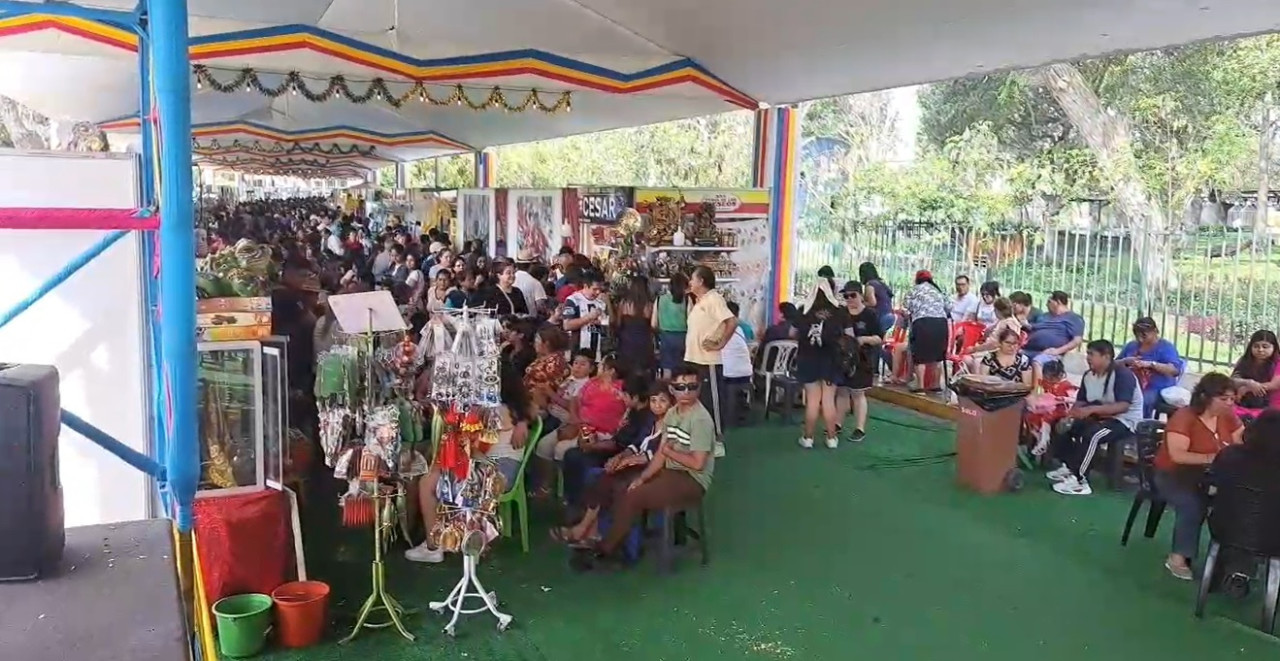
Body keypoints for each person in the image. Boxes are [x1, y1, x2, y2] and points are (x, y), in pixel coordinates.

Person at [575, 366, 714, 570]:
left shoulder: (700, 419)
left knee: (633, 496)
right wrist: (644, 476)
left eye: (692, 386)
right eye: (681, 387)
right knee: (627, 486)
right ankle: (614, 547)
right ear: (673, 389)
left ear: (699, 388)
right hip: (670, 470)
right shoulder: (673, 413)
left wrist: (669, 453)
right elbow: (659, 455)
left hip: (692, 478)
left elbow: (697, 463)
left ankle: (606, 549)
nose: (686, 391)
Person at [406, 368, 531, 563]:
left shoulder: (495, 410)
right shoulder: (513, 408)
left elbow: (473, 449)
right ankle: (438, 536)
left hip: (497, 473)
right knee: (434, 471)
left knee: (428, 481)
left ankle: (433, 545)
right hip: (496, 465)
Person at [554, 383, 672, 548]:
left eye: (662, 401)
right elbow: (636, 445)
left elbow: (654, 455)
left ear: (671, 404)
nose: (657, 405)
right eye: (654, 400)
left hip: (653, 472)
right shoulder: (651, 422)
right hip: (635, 466)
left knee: (608, 481)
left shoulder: (672, 425)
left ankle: (587, 531)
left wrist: (626, 461)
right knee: (599, 476)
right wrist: (620, 457)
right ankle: (590, 531)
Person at [1152, 372, 1242, 580]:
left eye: (1232, 398)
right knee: (1192, 504)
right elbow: (1178, 455)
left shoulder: (1227, 416)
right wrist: (1216, 457)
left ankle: (1231, 563)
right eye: (1224, 399)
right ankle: (1177, 558)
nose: (1230, 403)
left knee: (1238, 501)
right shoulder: (1184, 418)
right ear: (1205, 397)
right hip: (1172, 474)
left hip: (1208, 474)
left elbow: (1242, 439)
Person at [1046, 339, 1143, 496]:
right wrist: (1069, 417)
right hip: (1098, 416)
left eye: (1091, 354)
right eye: (1087, 354)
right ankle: (1071, 467)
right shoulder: (1088, 376)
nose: (1088, 358)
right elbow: (1081, 401)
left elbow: (1123, 406)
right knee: (1059, 426)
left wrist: (1091, 410)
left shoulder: (1122, 374)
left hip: (1123, 420)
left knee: (1091, 436)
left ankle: (1080, 481)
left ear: (1106, 357)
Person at [791, 277, 848, 449]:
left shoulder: (804, 309)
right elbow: (849, 335)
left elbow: (792, 333)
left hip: (808, 359)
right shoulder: (839, 311)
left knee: (813, 400)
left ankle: (808, 438)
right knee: (829, 399)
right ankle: (831, 439)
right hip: (831, 360)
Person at [685, 266, 737, 441]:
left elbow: (731, 321)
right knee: (697, 401)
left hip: (708, 361)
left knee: (712, 402)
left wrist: (721, 343)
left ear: (701, 281)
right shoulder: (700, 301)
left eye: (692, 279)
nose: (690, 282)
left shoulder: (714, 299)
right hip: (694, 358)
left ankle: (717, 438)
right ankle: (701, 436)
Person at [533, 350, 594, 496]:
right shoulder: (569, 379)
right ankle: (546, 483)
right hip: (554, 414)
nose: (577, 367)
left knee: (559, 448)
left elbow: (572, 407)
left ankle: (562, 489)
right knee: (543, 445)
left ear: (591, 369)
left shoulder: (586, 386)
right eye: (575, 363)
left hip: (569, 423)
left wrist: (550, 393)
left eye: (582, 364)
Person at [835, 281, 882, 442]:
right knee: (841, 392)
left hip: (862, 359)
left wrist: (863, 339)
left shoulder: (869, 315)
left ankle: (859, 428)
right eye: (846, 296)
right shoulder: (841, 313)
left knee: (858, 393)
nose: (849, 299)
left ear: (861, 296)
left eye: (852, 295)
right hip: (843, 358)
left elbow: (878, 338)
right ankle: (837, 423)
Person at [1117, 317, 1185, 417]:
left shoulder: (1165, 347)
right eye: (1137, 336)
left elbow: (1174, 370)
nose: (1140, 339)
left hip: (1157, 388)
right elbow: (1113, 364)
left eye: (1144, 336)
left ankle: (1141, 426)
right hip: (1132, 385)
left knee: (1143, 400)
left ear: (1155, 332)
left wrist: (1151, 364)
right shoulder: (1131, 346)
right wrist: (1126, 361)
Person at [895, 269, 949, 393]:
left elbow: (906, 309)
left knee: (920, 355)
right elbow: (949, 307)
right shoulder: (939, 291)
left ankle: (920, 385)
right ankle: (935, 384)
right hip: (941, 323)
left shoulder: (914, 290)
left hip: (923, 323)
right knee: (937, 355)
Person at [1022, 291, 1084, 367]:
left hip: (1050, 353)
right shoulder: (1045, 316)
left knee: (1038, 361)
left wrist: (1057, 351)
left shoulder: (1074, 318)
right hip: (1027, 349)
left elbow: (1077, 340)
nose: (1046, 304)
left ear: (1058, 302)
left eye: (1049, 301)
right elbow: (1033, 327)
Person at [1230, 329, 1280, 421]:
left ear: (1274, 348)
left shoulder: (1277, 363)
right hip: (1241, 401)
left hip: (1267, 404)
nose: (1260, 350)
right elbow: (1233, 380)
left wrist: (1248, 388)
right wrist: (1249, 383)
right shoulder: (1244, 361)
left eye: (1265, 347)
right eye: (1256, 346)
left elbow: (1275, 384)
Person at [612, 274, 655, 378]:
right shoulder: (649, 305)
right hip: (644, 341)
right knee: (643, 371)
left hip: (626, 340)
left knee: (627, 370)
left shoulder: (624, 303)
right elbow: (653, 325)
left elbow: (618, 323)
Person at [721, 301, 754, 428]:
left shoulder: (721, 328)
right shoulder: (741, 327)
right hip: (747, 372)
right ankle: (741, 408)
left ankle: (724, 415)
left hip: (729, 374)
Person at [562, 272, 609, 357]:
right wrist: (589, 317)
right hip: (576, 351)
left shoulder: (601, 302)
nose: (598, 292)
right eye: (594, 289)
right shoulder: (573, 300)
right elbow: (567, 325)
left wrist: (602, 321)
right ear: (586, 286)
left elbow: (607, 323)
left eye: (600, 289)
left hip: (596, 352)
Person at [653, 271, 690, 379]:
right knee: (683, 371)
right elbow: (692, 322)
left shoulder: (660, 299)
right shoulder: (687, 300)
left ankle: (666, 393)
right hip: (684, 338)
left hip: (665, 338)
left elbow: (653, 323)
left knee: (667, 370)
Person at [858, 262, 895, 334]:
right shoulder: (880, 283)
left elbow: (872, 302)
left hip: (880, 316)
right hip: (889, 315)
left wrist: (860, 303)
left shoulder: (870, 285)